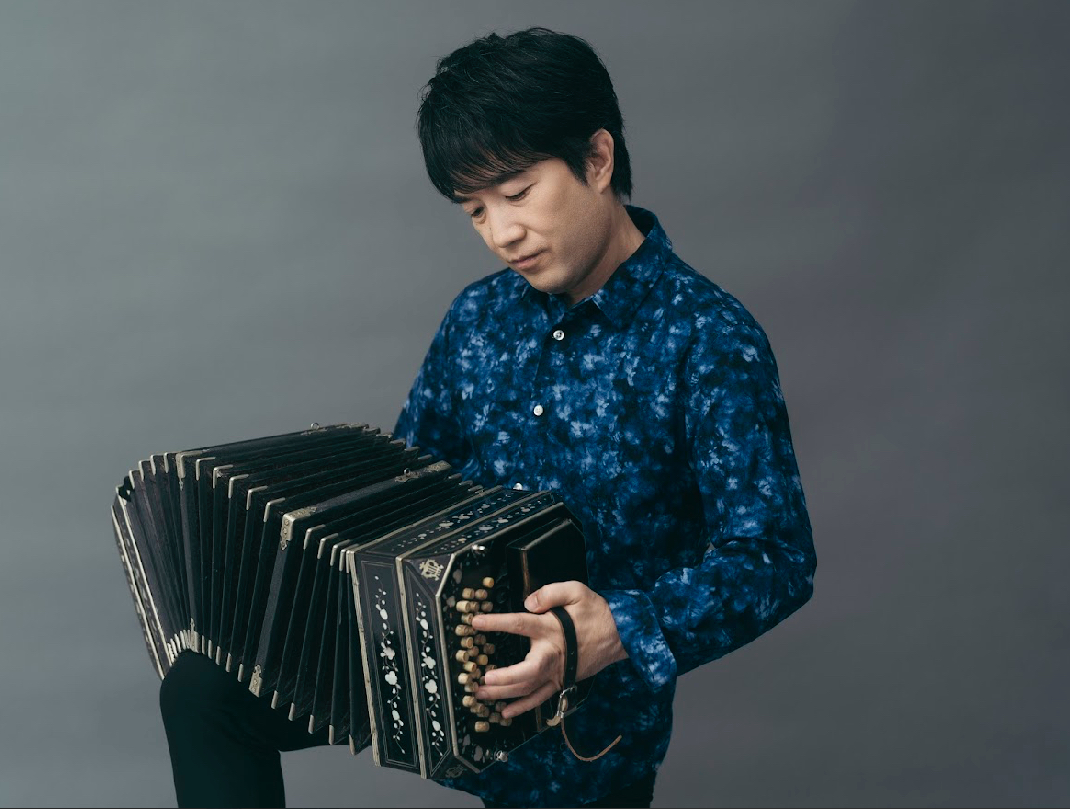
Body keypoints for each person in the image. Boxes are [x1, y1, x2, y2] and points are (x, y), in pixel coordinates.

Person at [159, 26, 816, 809]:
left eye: (517, 193)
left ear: (596, 159)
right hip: (432, 669)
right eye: (474, 210)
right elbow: (406, 490)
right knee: (204, 689)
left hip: (579, 740)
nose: (502, 234)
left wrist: (615, 628)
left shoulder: (707, 337)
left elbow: (775, 556)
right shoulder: (476, 318)